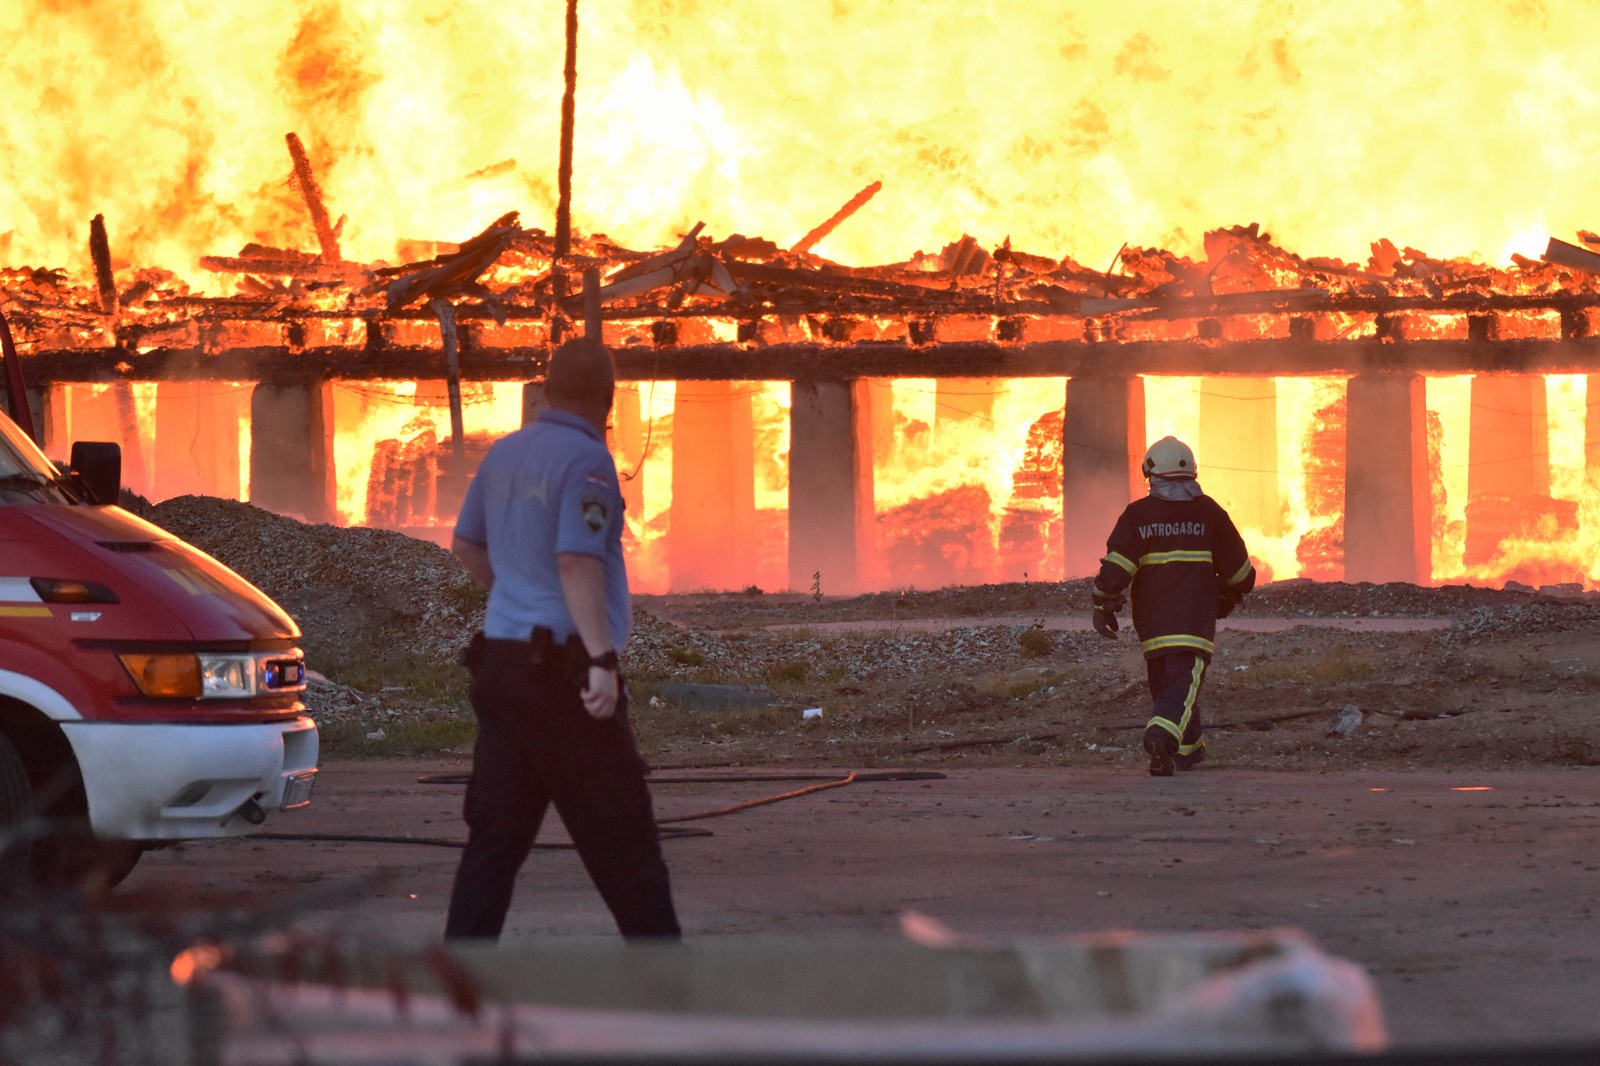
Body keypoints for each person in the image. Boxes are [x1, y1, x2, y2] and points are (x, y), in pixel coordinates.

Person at [443, 336, 681, 940]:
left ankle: (459, 984)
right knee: (624, 842)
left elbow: (466, 546)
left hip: (501, 667)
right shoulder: (588, 463)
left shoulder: (503, 455)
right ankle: (669, 990)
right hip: (564, 679)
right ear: (609, 400)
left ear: (546, 391)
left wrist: (515, 591)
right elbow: (578, 560)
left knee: (493, 845)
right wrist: (601, 659)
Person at [1089, 436, 1256, 777]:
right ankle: (1161, 737)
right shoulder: (1209, 512)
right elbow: (1240, 573)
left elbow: (1117, 567)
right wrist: (1228, 593)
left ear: (1151, 475)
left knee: (1170, 688)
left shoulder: (1137, 515)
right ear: (1192, 474)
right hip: (1193, 622)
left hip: (1152, 625)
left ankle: (1189, 751)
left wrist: (1102, 605)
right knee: (1182, 686)